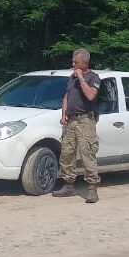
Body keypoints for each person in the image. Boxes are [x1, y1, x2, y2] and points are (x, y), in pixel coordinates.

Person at [52, 48, 102, 203]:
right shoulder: (71, 78)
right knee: (67, 153)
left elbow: (91, 95)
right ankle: (68, 185)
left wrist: (81, 78)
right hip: (71, 121)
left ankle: (92, 189)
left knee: (87, 154)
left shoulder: (93, 77)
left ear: (85, 63)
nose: (73, 64)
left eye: (76, 62)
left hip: (85, 121)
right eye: (73, 61)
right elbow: (67, 96)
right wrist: (64, 113)